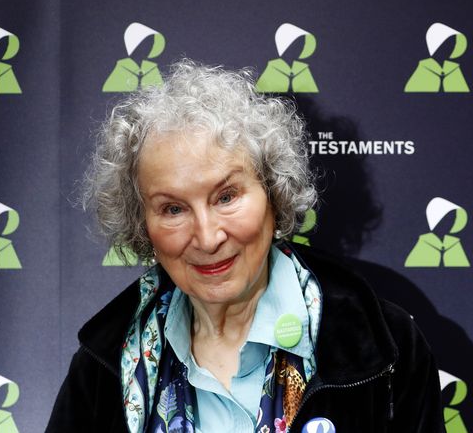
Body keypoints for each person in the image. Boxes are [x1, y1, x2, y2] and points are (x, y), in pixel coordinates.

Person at [47, 60, 443, 432]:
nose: (207, 238)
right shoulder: (102, 366)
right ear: (141, 224)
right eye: (173, 209)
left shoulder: (388, 348)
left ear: (273, 192)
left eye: (226, 197)